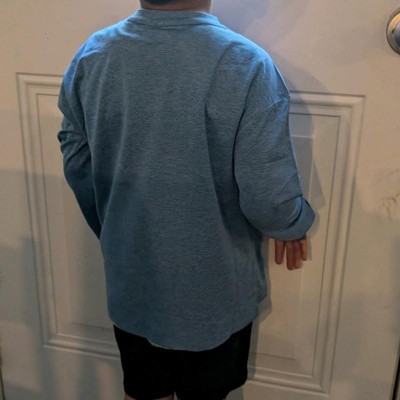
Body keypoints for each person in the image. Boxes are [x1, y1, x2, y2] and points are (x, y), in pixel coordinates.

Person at [57, 0, 315, 399]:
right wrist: (289, 223)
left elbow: (77, 159)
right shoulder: (246, 64)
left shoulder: (94, 56)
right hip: (213, 294)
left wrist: (113, 225)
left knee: (143, 389)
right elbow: (266, 191)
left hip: (133, 283)